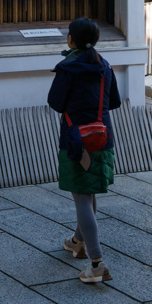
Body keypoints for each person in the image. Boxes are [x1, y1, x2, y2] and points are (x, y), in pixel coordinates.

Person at [48, 17, 121, 284]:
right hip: (102, 137)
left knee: (81, 197)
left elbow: (55, 103)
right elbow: (113, 101)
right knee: (88, 193)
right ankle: (77, 242)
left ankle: (97, 263)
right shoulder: (104, 65)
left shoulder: (68, 68)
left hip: (76, 140)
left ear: (71, 39)